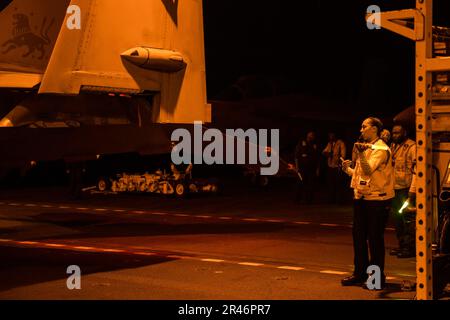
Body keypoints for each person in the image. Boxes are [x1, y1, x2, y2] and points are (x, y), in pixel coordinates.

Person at [341, 117, 395, 289]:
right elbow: (361, 175)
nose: (361, 130)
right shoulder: (366, 148)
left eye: (364, 126)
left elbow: (367, 169)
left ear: (374, 129)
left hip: (377, 200)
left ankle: (377, 279)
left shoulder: (380, 149)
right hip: (361, 198)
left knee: (374, 239)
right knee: (358, 238)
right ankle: (359, 274)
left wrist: (361, 154)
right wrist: (348, 169)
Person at [389, 124, 416, 258]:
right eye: (393, 133)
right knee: (397, 219)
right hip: (395, 188)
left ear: (404, 133)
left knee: (408, 219)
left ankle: (409, 247)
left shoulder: (412, 147)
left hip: (406, 189)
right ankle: (401, 245)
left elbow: (416, 171)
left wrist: (412, 192)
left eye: (397, 133)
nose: (394, 135)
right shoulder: (393, 146)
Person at [293, 131, 320, 204]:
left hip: (311, 168)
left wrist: (317, 168)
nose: (311, 137)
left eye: (313, 135)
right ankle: (297, 199)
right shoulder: (301, 143)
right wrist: (297, 167)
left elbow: (317, 158)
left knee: (310, 184)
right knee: (300, 183)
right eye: (310, 135)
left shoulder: (314, 145)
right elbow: (296, 156)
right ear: (307, 135)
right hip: (302, 168)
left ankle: (309, 200)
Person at [322, 132, 346, 204]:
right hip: (330, 166)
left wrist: (340, 164)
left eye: (332, 135)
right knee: (330, 184)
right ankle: (331, 200)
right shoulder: (329, 144)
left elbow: (343, 156)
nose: (331, 137)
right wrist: (328, 154)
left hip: (337, 167)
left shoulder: (340, 143)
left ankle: (338, 200)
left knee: (338, 184)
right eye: (329, 136)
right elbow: (324, 152)